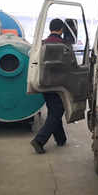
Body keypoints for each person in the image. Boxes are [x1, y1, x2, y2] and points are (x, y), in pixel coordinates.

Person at [30, 18, 68, 154]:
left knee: (54, 111)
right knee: (57, 111)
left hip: (44, 83)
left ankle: (61, 139)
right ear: (61, 30)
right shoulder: (63, 45)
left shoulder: (43, 43)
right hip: (58, 85)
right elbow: (69, 65)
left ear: (50, 28)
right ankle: (39, 140)